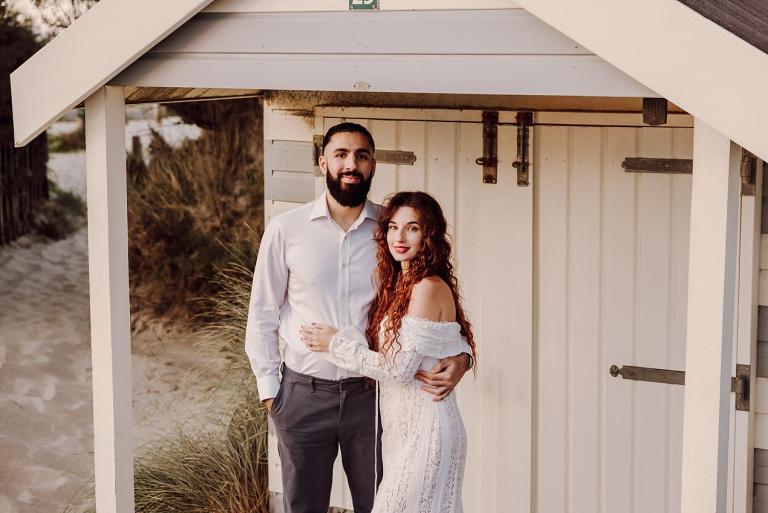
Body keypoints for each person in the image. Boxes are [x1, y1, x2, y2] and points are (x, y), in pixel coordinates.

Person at [244, 123, 472, 513]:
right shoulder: (286, 230)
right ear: (323, 163)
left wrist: (461, 357)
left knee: (381, 504)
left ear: (373, 165)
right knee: (305, 507)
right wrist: (272, 396)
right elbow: (262, 315)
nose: (351, 164)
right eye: (341, 154)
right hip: (303, 395)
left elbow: (435, 303)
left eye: (362, 155)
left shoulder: (391, 229)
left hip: (373, 397)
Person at [301, 191, 477, 513]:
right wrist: (463, 358)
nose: (400, 237)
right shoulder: (402, 284)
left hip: (428, 429)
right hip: (402, 432)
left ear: (430, 235)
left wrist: (335, 345)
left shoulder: (426, 287)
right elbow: (447, 342)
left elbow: (399, 369)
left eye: (412, 228)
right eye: (393, 227)